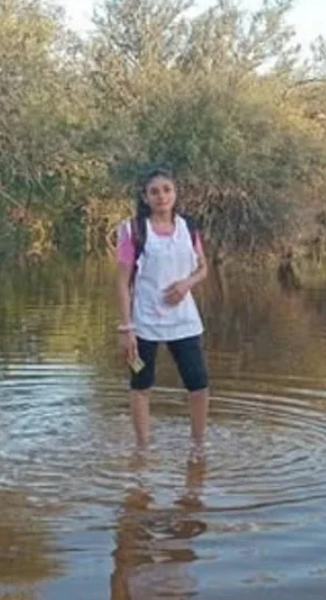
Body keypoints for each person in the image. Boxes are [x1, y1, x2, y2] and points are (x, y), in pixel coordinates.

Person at [115, 168, 210, 448]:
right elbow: (121, 283)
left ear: (175, 193)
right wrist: (126, 328)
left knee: (199, 385)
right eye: (154, 191)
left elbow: (203, 267)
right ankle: (143, 450)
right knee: (141, 384)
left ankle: (198, 446)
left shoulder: (188, 227)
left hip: (184, 321)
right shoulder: (133, 230)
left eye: (167, 189)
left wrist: (186, 284)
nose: (161, 196)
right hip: (143, 323)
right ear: (145, 197)